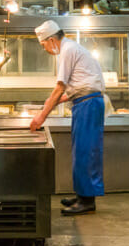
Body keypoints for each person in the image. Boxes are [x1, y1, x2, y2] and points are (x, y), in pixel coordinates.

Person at [29, 19, 105, 215]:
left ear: (52, 39)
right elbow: (74, 87)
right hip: (84, 102)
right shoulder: (70, 48)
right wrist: (50, 103)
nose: (44, 48)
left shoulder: (67, 50)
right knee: (82, 150)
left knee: (86, 151)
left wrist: (41, 117)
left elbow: (60, 86)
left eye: (44, 44)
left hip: (88, 104)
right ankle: (82, 195)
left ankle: (87, 201)